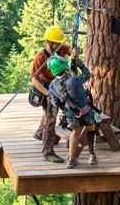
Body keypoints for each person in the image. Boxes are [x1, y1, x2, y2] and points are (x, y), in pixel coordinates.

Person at [48, 54, 99, 169]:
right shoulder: (74, 80)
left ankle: (71, 160)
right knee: (90, 129)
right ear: (65, 68)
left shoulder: (52, 85)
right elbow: (87, 74)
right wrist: (79, 62)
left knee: (75, 133)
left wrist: (67, 108)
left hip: (70, 114)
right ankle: (92, 155)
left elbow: (55, 103)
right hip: (85, 111)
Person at [30, 26, 71, 163]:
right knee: (50, 119)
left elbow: (71, 50)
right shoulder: (41, 57)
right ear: (49, 42)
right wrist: (47, 93)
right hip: (46, 87)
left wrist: (77, 51)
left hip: (57, 85)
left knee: (47, 114)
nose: (60, 45)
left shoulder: (61, 48)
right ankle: (48, 152)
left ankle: (40, 133)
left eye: (60, 43)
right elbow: (34, 79)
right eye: (56, 43)